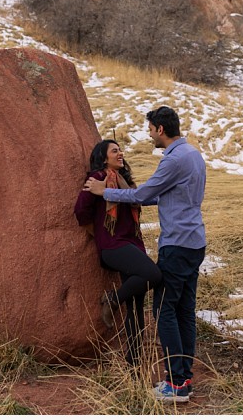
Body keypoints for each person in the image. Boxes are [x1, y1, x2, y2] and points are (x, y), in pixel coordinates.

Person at [84, 106, 206, 403]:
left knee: (165, 312)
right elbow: (160, 195)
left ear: (160, 129)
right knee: (184, 312)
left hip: (176, 245)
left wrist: (105, 192)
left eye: (150, 129)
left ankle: (176, 385)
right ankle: (184, 378)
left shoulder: (173, 160)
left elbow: (142, 195)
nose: (149, 134)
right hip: (196, 242)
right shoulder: (193, 155)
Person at [74, 139, 162, 367]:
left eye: (121, 150)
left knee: (135, 305)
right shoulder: (98, 179)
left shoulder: (126, 183)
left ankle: (135, 362)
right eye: (115, 151)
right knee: (154, 275)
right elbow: (81, 210)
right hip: (113, 247)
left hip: (133, 246)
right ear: (104, 158)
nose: (120, 153)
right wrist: (99, 234)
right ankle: (113, 299)